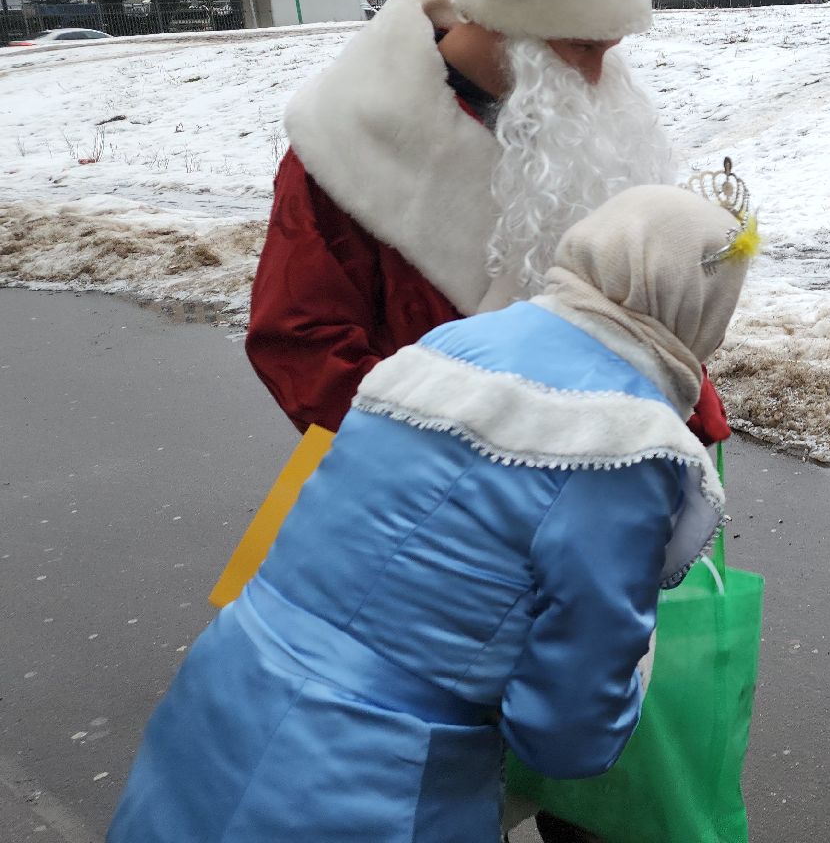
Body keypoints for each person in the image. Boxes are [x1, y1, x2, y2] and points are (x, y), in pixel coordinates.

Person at [108, 181, 757, 842]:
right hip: (372, 773)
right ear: (700, 309)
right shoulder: (622, 445)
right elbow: (567, 734)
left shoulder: (455, 345)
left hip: (230, 687)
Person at [244, 0, 729, 446]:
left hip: (605, 481)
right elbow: (301, 344)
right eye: (580, 48)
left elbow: (637, 317)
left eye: (610, 48)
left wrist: (685, 423)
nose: (598, 77)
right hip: (439, 493)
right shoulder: (346, 140)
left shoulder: (580, 122)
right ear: (507, 25)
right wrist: (481, 452)